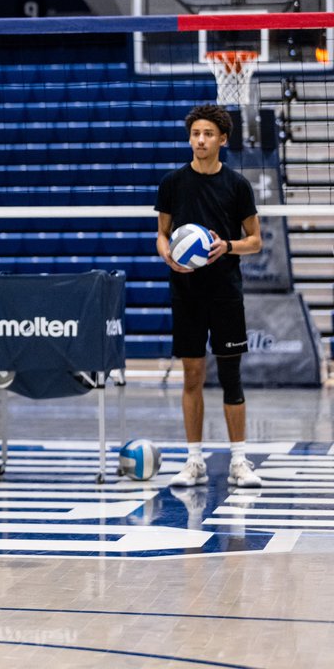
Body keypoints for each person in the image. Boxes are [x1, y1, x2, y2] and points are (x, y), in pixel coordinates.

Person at [155, 103, 263, 490]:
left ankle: (239, 460)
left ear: (222, 139)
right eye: (195, 134)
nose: (200, 140)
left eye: (207, 134)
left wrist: (227, 246)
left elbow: (255, 241)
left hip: (225, 293)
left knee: (231, 377)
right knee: (192, 375)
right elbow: (162, 235)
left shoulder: (237, 185)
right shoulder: (172, 183)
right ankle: (194, 460)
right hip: (186, 291)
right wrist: (167, 255)